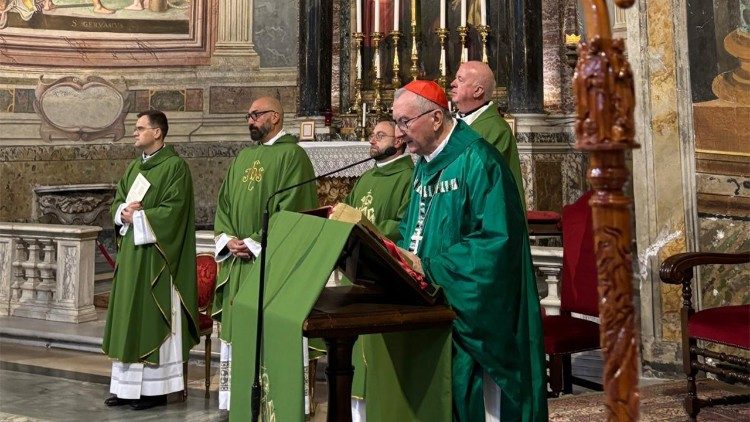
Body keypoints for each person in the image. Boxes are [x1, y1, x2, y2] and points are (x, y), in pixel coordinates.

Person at [393, 80, 547, 421]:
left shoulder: (478, 160)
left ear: (435, 118)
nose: (399, 133)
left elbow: (496, 243)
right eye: (396, 122)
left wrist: (429, 267)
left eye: (405, 122)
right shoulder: (424, 163)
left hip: (469, 309)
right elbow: (412, 228)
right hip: (429, 301)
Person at [211, 96, 318, 411]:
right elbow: (225, 203)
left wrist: (255, 242)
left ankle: (277, 404)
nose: (250, 121)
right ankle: (241, 403)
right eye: (248, 116)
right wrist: (229, 239)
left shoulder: (293, 156)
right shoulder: (244, 157)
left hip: (270, 262)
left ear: (276, 116)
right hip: (239, 262)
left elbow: (295, 208)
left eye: (256, 115)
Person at [102, 110, 199, 410]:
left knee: (151, 316)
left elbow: (175, 211)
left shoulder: (175, 168)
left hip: (158, 259)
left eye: (140, 128)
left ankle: (155, 390)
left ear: (158, 133)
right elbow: (117, 201)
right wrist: (122, 213)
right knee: (128, 318)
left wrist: (141, 216)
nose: (135, 132)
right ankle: (125, 388)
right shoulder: (134, 169)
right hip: (132, 256)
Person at [451, 61, 526, 210]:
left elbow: (482, 179)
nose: (452, 83)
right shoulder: (454, 123)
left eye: (460, 80)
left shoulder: (496, 129)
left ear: (478, 91)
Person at [343, 120, 413, 241]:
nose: (372, 141)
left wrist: (364, 231)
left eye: (380, 136)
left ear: (398, 141)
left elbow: (406, 225)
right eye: (372, 135)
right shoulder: (366, 177)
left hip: (384, 256)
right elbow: (346, 210)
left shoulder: (410, 178)